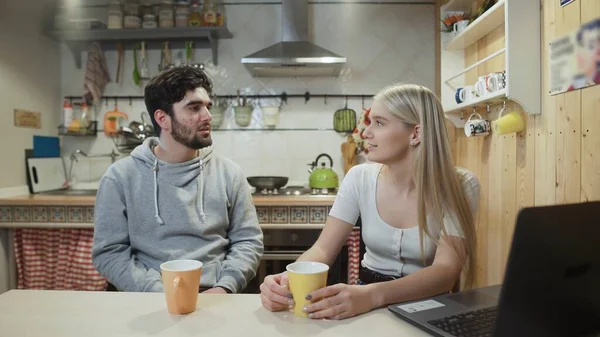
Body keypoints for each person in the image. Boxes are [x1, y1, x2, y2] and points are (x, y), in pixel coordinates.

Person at [259, 83, 479, 320]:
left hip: (429, 307)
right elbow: (322, 249)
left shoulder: (462, 185)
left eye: (379, 123)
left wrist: (373, 296)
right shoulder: (359, 177)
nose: (365, 133)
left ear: (415, 133)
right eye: (370, 121)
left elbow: (446, 271)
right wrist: (286, 280)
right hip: (365, 299)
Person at [92, 66, 264, 294]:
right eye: (194, 108)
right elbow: (109, 253)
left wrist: (225, 286)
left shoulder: (229, 173)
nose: (208, 116)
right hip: (148, 298)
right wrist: (155, 291)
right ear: (163, 118)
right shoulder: (120, 178)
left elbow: (248, 241)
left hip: (217, 294)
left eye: (207, 106)